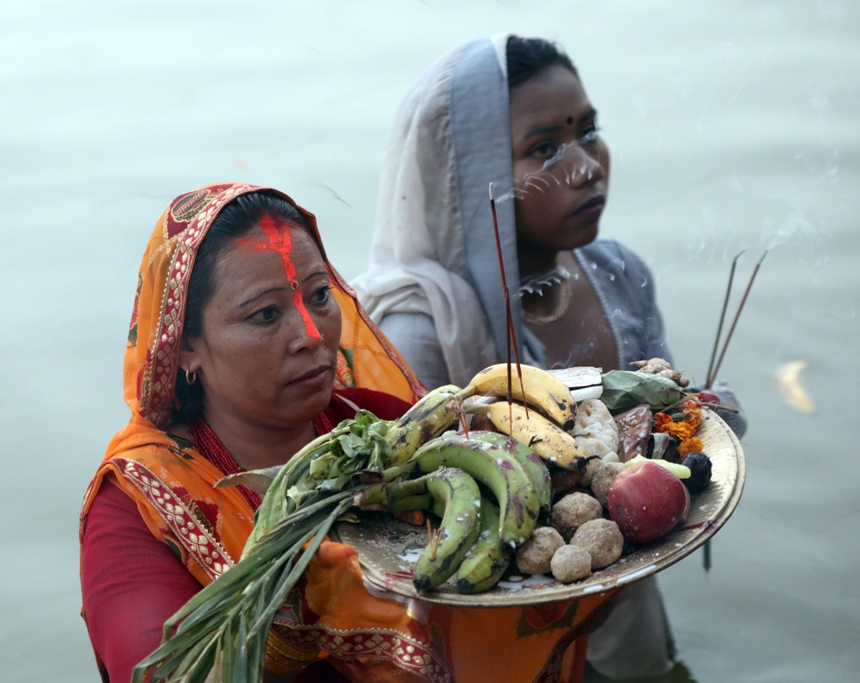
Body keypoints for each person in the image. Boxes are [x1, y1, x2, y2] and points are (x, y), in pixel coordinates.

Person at [79, 182, 617, 683]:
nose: (312, 336)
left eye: (318, 296)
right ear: (186, 347)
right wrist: (303, 613)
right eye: (266, 315)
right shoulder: (138, 510)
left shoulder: (379, 427)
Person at [352, 35, 687, 680]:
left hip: (625, 588)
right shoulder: (419, 328)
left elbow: (670, 413)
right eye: (544, 149)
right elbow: (409, 516)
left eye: (589, 132)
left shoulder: (617, 271)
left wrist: (700, 415)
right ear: (475, 181)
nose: (586, 165)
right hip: (489, 635)